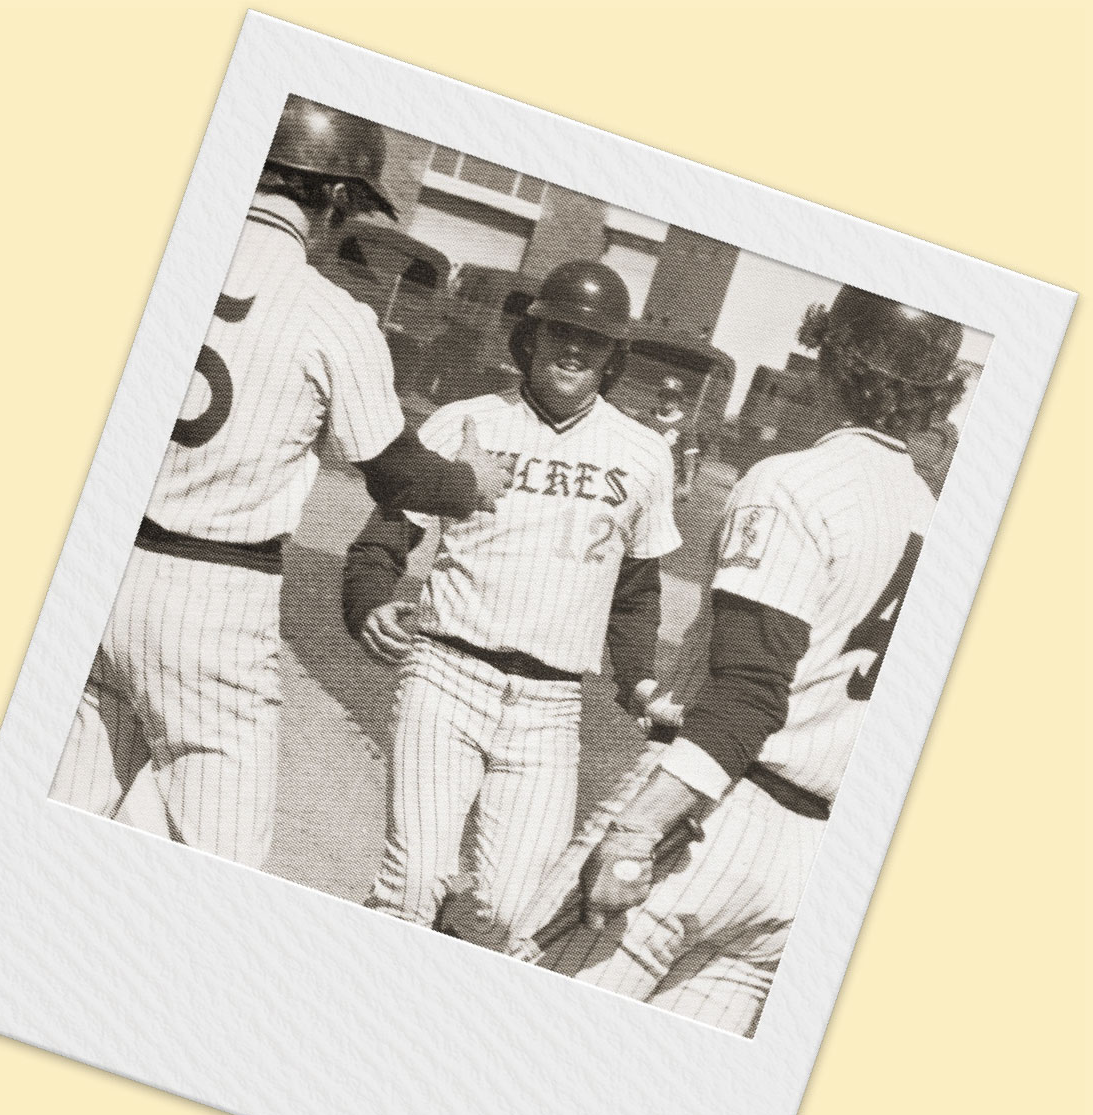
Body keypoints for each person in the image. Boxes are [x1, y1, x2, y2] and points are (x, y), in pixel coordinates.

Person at [51, 96, 511, 866]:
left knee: (61, 807)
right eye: (354, 206)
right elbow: (395, 473)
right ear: (333, 196)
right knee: (213, 859)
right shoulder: (330, 312)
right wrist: (471, 483)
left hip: (98, 567)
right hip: (214, 598)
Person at [511, 286, 966, 1037]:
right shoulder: (936, 517)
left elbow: (752, 693)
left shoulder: (797, 481)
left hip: (705, 825)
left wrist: (636, 830)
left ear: (831, 361)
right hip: (808, 864)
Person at [342, 261, 682, 948]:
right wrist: (370, 600)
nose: (575, 348)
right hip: (446, 675)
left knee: (509, 911)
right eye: (561, 329)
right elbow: (383, 538)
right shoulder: (465, 420)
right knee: (411, 885)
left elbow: (636, 593)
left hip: (551, 708)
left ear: (615, 357)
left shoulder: (645, 454)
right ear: (532, 335)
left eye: (595, 339)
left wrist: (638, 677)